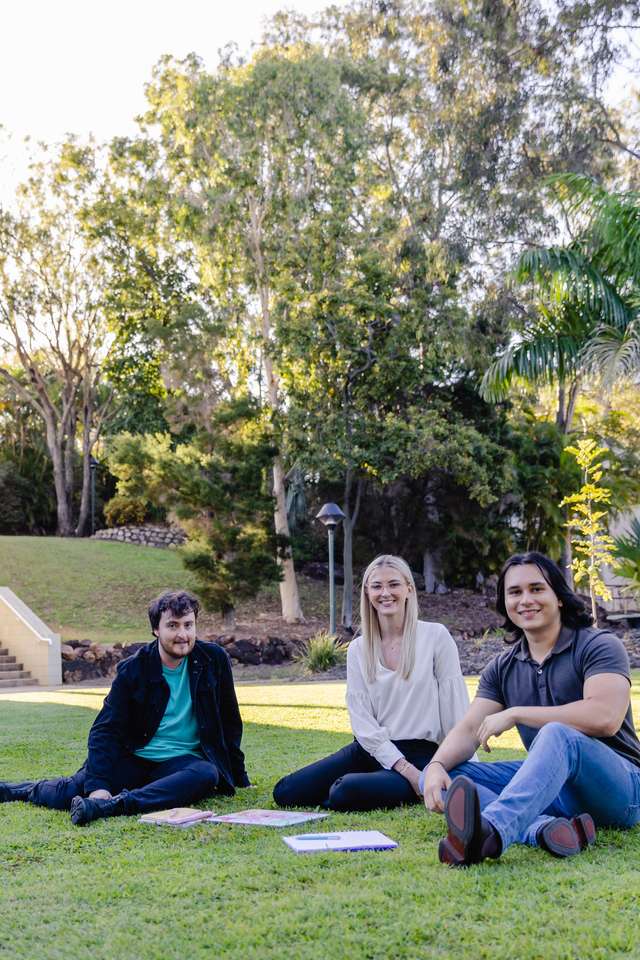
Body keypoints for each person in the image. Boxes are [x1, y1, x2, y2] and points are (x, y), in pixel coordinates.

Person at [421, 551, 640, 866]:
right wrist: (436, 765)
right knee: (446, 776)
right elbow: (470, 729)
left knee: (558, 734)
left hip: (622, 789)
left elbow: (605, 718)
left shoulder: (598, 645)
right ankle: (542, 829)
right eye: (515, 592)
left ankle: (489, 834)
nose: (526, 600)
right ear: (505, 604)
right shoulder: (503, 667)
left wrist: (516, 713)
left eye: (536, 589)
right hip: (556, 789)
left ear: (559, 597)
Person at [0, 590, 250, 825]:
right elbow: (105, 729)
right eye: (172, 626)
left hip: (181, 765)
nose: (182, 635)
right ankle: (16, 790)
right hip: (135, 757)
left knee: (206, 774)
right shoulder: (134, 669)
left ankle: (116, 805)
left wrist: (239, 778)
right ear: (156, 629)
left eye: (188, 625)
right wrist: (98, 787)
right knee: (67, 792)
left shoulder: (213, 660)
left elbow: (230, 721)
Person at [273, 554, 470, 812]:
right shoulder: (358, 649)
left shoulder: (435, 637)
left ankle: (391, 786)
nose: (385, 593)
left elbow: (456, 710)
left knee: (345, 791)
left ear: (409, 589)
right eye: (377, 586)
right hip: (371, 750)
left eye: (394, 584)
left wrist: (455, 769)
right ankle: (395, 784)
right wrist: (406, 771)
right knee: (285, 791)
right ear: (367, 592)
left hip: (420, 753)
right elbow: (362, 722)